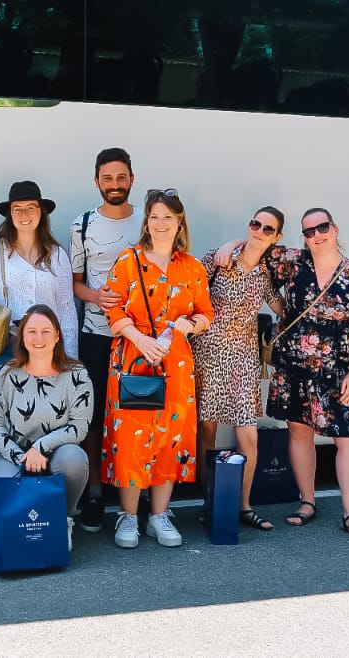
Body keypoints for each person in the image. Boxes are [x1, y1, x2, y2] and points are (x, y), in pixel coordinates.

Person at [264, 208, 349, 542]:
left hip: (339, 370)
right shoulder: (291, 263)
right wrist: (228, 245)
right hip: (294, 366)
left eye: (321, 228)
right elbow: (255, 246)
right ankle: (307, 501)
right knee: (300, 434)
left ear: (334, 228)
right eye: (308, 231)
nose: (316, 235)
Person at [101, 189, 213, 549]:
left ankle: (159, 516)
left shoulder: (192, 267)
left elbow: (206, 314)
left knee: (170, 439)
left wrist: (189, 325)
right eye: (154, 217)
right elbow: (113, 310)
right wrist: (139, 338)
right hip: (133, 357)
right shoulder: (127, 261)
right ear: (146, 222)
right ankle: (129, 517)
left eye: (168, 217)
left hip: (176, 362)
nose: (161, 223)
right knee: (130, 440)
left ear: (179, 222)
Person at [192, 207, 285, 531]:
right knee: (206, 430)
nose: (259, 230)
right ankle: (212, 500)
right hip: (206, 353)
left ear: (277, 237)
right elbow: (189, 291)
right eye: (255, 223)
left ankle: (243, 505)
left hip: (243, 360)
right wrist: (230, 246)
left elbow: (281, 309)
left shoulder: (266, 273)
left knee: (249, 435)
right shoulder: (217, 260)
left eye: (267, 228)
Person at [0, 305, 93, 552]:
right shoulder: (5, 374)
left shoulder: (77, 374)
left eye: (46, 331)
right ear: (22, 337)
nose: (39, 338)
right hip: (11, 451)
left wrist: (41, 447)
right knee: (2, 479)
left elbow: (79, 426)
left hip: (55, 452)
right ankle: (13, 528)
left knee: (74, 459)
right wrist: (21, 456)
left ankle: (61, 520)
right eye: (31, 331)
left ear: (57, 336)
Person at [68, 148, 136, 532]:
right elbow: (75, 283)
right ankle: (94, 495)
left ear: (131, 179)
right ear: (97, 182)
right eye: (107, 178)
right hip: (96, 334)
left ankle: (136, 494)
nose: (114, 184)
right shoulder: (82, 224)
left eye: (120, 177)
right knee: (93, 419)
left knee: (136, 414)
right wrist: (96, 297)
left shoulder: (150, 220)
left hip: (139, 339)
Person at [0, 181, 78, 391]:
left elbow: (66, 308)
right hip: (3, 346)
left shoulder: (57, 255)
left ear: (41, 212)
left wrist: (70, 358)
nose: (24, 214)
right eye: (18, 209)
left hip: (46, 349)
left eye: (31, 207)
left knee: (42, 413)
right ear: (10, 215)